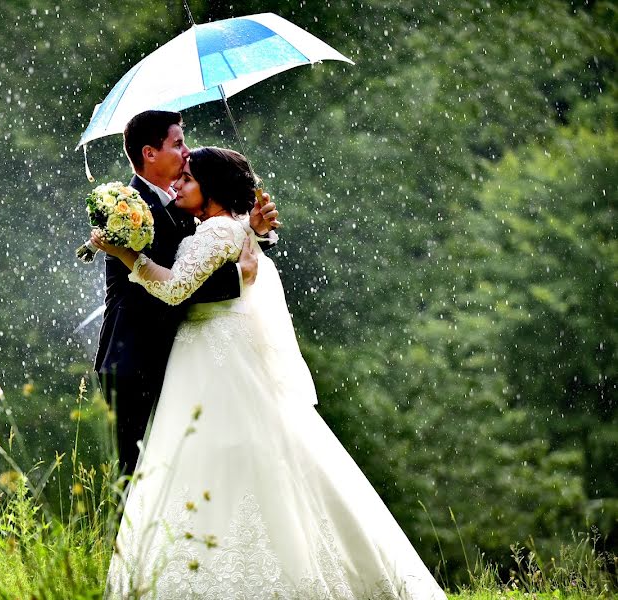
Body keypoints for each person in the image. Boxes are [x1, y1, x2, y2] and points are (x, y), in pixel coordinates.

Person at [92, 147, 447, 599]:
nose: (179, 183)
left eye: (188, 178)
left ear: (211, 189)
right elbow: (228, 252)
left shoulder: (216, 229)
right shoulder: (224, 227)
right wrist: (254, 229)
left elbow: (177, 288)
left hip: (211, 355)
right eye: (179, 176)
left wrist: (126, 256)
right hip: (209, 349)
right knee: (234, 455)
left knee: (213, 457)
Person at [94, 110, 279, 475]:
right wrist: (238, 277)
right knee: (135, 475)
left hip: (185, 352)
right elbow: (177, 284)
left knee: (186, 465)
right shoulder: (125, 211)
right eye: (178, 143)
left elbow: (211, 244)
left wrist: (253, 231)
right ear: (149, 153)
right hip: (135, 356)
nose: (186, 151)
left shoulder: (188, 202)